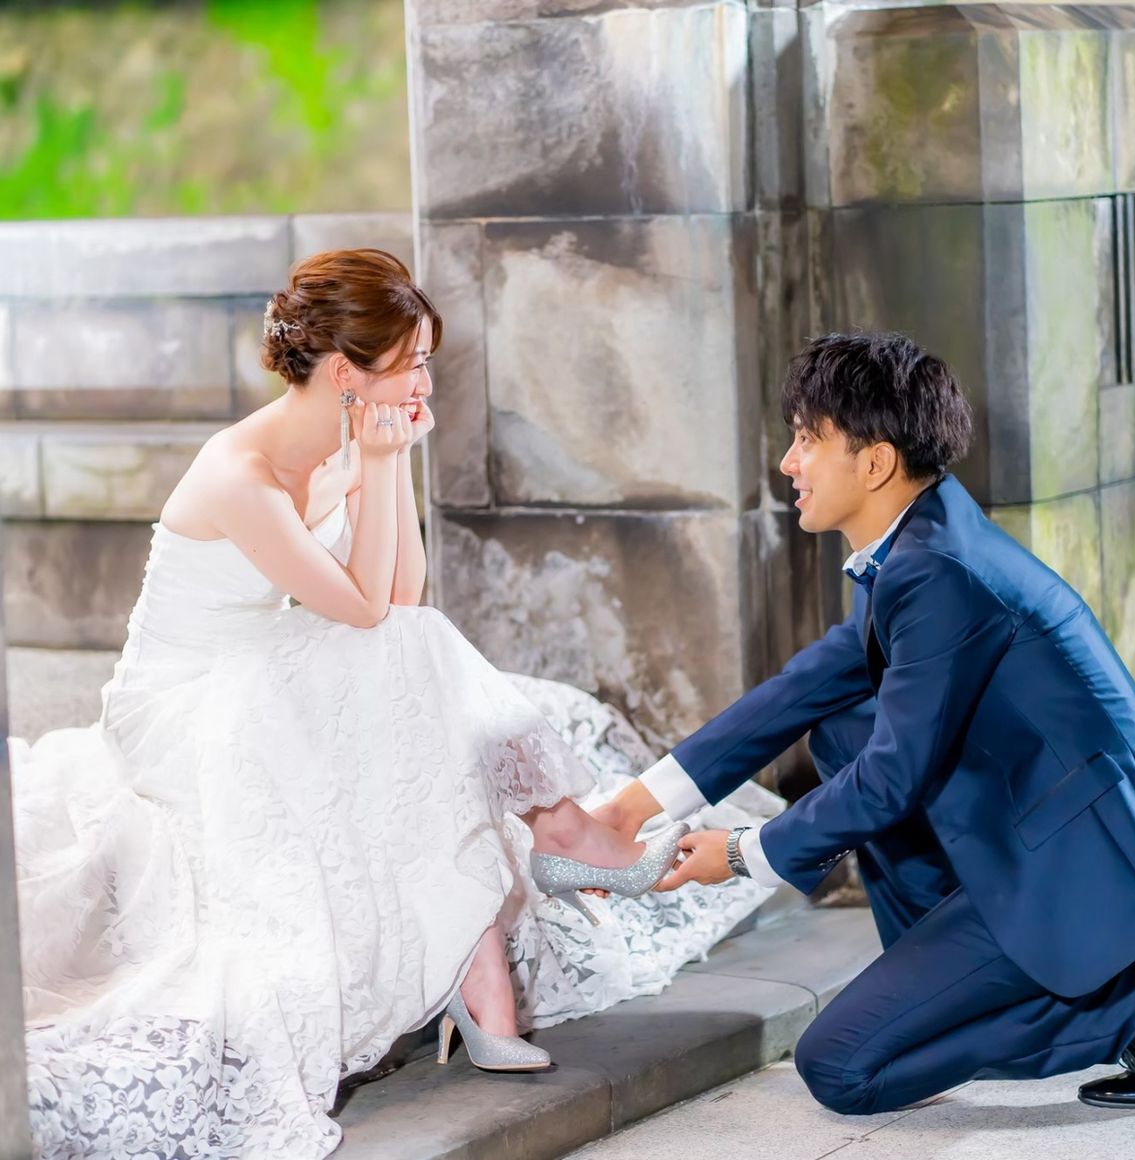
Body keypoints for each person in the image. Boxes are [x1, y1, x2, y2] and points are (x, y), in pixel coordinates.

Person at [9, 249, 779, 1159]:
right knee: (397, 658)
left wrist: (388, 463)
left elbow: (402, 604)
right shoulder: (240, 473)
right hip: (177, 710)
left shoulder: (336, 443)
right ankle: (548, 863)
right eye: (411, 363)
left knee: (411, 657)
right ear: (346, 372)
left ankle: (501, 934)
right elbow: (365, 610)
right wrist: (377, 460)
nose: (424, 382)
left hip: (257, 676)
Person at [596, 331, 1135, 1115]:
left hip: (1084, 864)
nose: (788, 463)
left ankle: (1129, 1008)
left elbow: (893, 777)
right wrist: (631, 806)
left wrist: (741, 852)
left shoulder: (937, 573)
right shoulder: (918, 540)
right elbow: (797, 692)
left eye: (807, 439)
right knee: (841, 726)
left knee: (841, 1067)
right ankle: (965, 979)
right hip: (1037, 831)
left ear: (876, 463)